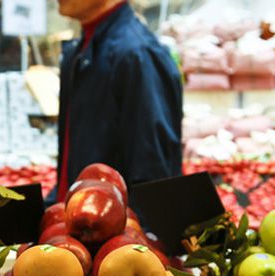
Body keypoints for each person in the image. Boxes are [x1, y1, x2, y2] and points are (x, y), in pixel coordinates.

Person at [54, 0, 182, 202]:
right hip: (82, 215)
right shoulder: (80, 51)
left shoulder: (137, 54)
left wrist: (139, 230)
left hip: (115, 226)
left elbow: (153, 175)